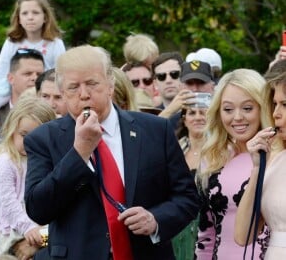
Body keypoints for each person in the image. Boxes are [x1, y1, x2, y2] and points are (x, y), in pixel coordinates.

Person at [24, 44, 200, 260]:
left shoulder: (155, 130)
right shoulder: (43, 139)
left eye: (92, 83)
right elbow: (38, 209)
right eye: (73, 87)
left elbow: (187, 197)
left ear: (110, 83)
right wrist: (80, 153)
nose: (84, 94)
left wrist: (155, 219)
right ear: (62, 92)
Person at [195, 68, 268, 259]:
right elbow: (205, 235)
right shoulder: (212, 158)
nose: (237, 117)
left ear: (263, 107)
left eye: (247, 108)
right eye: (228, 109)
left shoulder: (277, 157)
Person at [0, 96, 56, 257]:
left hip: (36, 226)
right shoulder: (6, 162)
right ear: (12, 131)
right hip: (8, 231)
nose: (30, 142)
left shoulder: (46, 159)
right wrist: (28, 227)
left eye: (38, 136)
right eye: (24, 135)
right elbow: (9, 203)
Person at [0, 0, 65, 131]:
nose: (30, 18)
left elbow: (60, 73)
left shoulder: (55, 43)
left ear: (45, 17)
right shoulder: (12, 42)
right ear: (18, 18)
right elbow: (1, 71)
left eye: (35, 13)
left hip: (44, 90)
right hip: (8, 88)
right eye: (25, 13)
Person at [234, 68, 286, 259]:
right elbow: (242, 235)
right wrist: (257, 168)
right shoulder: (275, 157)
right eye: (274, 104)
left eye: (284, 104)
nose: (275, 114)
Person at [172, 105, 208, 260]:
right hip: (179, 226)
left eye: (203, 112)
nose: (198, 117)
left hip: (208, 224)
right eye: (192, 113)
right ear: (184, 120)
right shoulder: (174, 149)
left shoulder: (221, 150)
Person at [0, 48, 45, 133]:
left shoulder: (52, 109)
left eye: (39, 74)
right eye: (28, 73)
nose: (35, 78)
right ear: (11, 78)